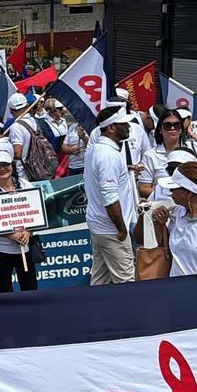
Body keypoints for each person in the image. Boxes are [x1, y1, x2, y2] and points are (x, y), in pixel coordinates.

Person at [84, 106, 139, 285]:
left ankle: (94, 313)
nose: (128, 127)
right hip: (112, 230)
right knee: (126, 282)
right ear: (112, 128)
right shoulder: (108, 155)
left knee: (101, 280)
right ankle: (129, 314)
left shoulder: (96, 149)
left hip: (101, 227)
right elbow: (110, 199)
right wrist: (122, 229)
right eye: (124, 124)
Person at [0, 150, 40, 292]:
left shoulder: (25, 186)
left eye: (6, 165)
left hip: (26, 248)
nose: (2, 169)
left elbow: (35, 214)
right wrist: (9, 234)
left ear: (12, 166)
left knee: (30, 288)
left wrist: (28, 232)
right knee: (4, 289)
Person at [140, 108, 197, 197]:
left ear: (181, 129)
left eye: (177, 125)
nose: (172, 128)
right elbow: (143, 189)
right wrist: (168, 194)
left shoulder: (196, 148)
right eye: (167, 125)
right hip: (165, 206)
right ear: (160, 130)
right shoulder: (150, 155)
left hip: (194, 203)